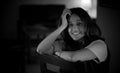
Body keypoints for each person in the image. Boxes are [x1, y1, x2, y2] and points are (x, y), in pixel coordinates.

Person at [36, 7, 110, 73]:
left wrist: (57, 53)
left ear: (87, 25)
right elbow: (41, 50)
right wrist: (62, 26)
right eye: (70, 25)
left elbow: (72, 57)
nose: (75, 29)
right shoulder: (66, 43)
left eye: (79, 23)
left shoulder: (100, 45)